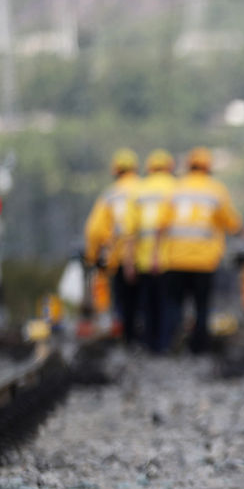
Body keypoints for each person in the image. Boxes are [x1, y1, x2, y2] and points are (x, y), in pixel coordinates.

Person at [161, 147, 243, 353]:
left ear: (189, 166)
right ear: (209, 168)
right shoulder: (215, 190)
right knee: (202, 305)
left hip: (176, 259)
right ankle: (199, 347)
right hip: (204, 261)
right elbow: (232, 223)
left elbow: (162, 224)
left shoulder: (176, 189)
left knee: (175, 304)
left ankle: (173, 343)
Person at [83, 148, 141, 343]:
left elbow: (94, 230)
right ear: (135, 168)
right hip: (145, 257)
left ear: (115, 171)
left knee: (123, 302)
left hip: (118, 257)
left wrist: (92, 257)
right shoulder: (145, 190)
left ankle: (126, 339)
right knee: (146, 301)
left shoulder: (110, 195)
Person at [131, 148, 178, 353]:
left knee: (148, 304)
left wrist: (129, 261)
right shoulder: (177, 188)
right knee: (168, 303)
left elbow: (130, 230)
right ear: (169, 167)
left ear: (149, 168)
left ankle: (149, 343)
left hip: (143, 258)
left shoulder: (139, 190)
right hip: (170, 259)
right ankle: (166, 344)